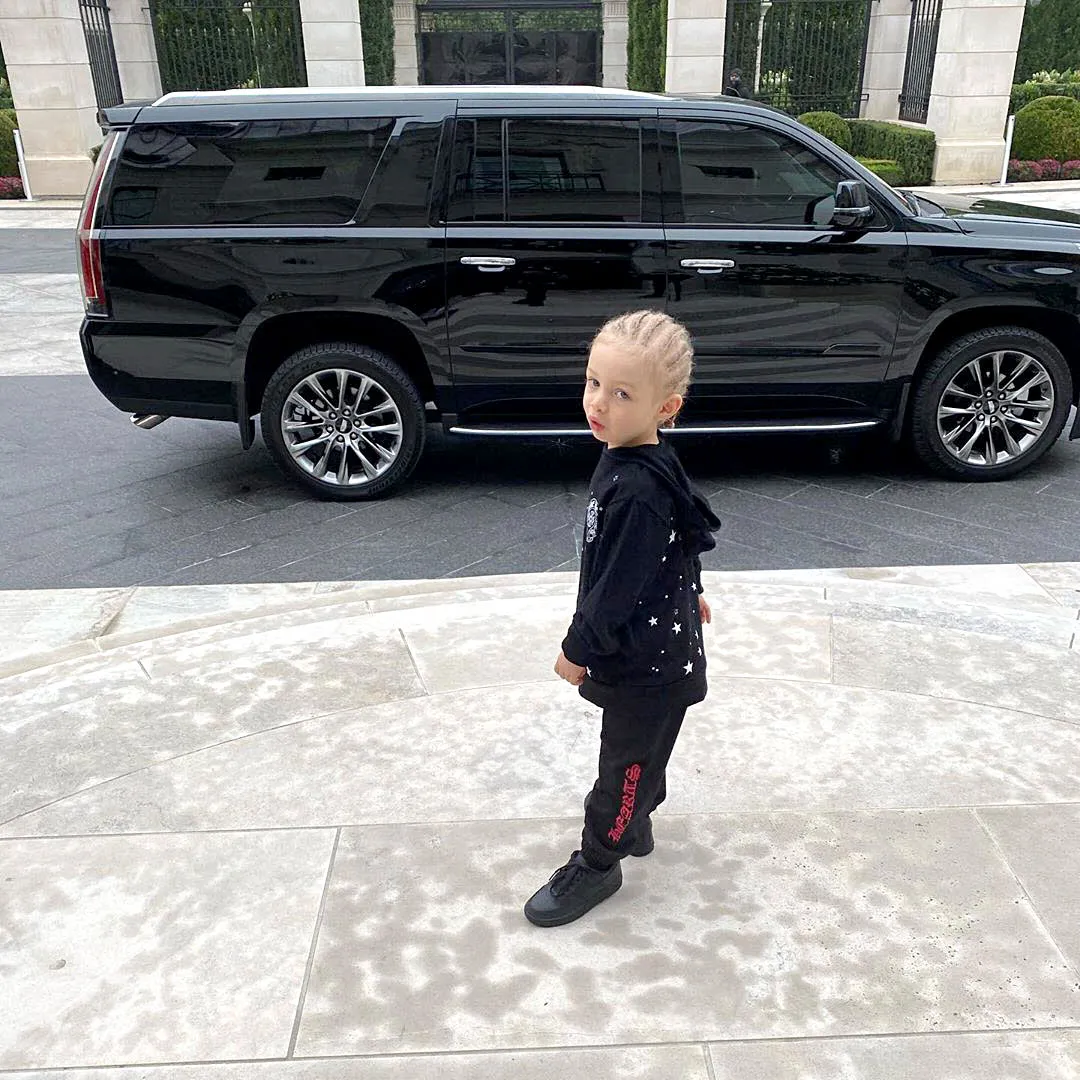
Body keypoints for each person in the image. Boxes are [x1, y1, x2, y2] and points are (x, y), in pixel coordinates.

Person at [524, 310, 722, 928]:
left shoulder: (638, 488)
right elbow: (679, 534)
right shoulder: (636, 456)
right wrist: (689, 589)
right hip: (659, 644)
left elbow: (615, 587)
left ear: (667, 408)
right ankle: (634, 824)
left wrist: (577, 647)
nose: (598, 403)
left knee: (625, 766)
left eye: (622, 394)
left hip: (647, 663)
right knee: (645, 750)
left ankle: (599, 860)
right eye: (593, 383)